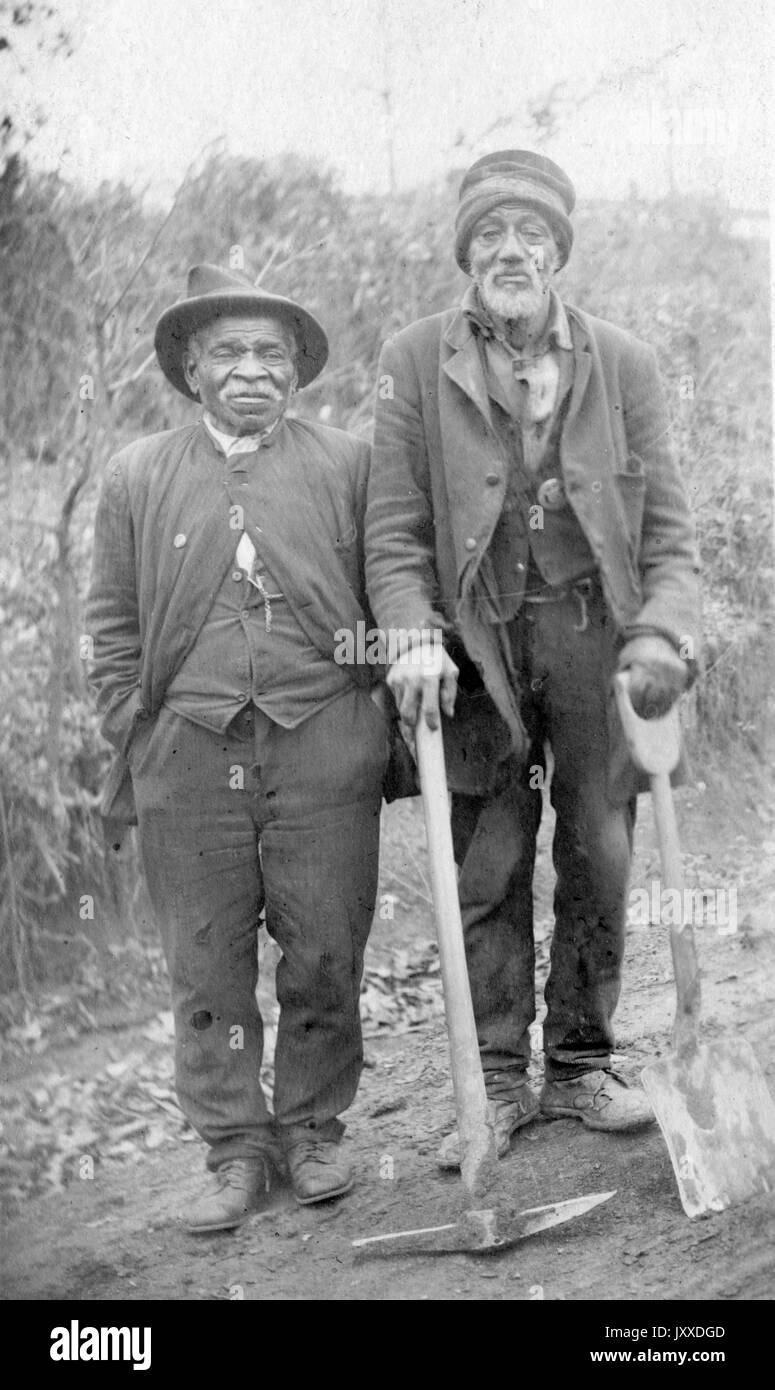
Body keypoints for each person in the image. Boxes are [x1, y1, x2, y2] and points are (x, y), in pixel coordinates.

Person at [365, 150, 701, 1169]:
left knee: (599, 855)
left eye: (532, 236)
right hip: (475, 653)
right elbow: (391, 528)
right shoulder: (413, 357)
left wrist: (659, 633)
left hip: (596, 645)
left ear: (557, 251)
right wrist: (407, 629)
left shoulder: (624, 363)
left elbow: (670, 541)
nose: (512, 252)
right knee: (489, 859)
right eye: (491, 237)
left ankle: (581, 1064)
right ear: (466, 253)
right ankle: (498, 1080)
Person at [86, 263, 395, 1230]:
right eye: (228, 352)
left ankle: (311, 1132)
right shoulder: (138, 473)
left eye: (271, 353)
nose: (251, 370)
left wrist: (384, 691)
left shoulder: (351, 462)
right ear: (190, 367)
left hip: (324, 744)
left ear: (298, 369)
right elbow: (108, 623)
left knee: (324, 945)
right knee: (207, 961)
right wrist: (129, 724)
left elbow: (392, 585)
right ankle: (233, 1147)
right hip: (184, 755)